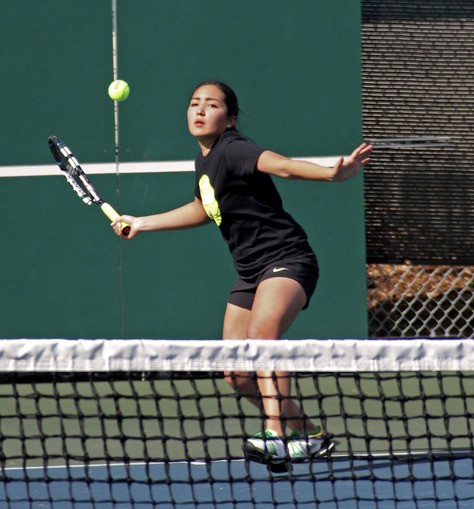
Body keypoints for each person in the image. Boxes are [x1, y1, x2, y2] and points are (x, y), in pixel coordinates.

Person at [112, 80, 372, 465]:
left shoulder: (234, 148)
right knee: (235, 372)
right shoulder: (206, 160)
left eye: (212, 105)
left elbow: (281, 165)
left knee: (262, 336)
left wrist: (331, 174)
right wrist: (144, 223)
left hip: (287, 258)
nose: (200, 110)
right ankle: (309, 431)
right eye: (194, 103)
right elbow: (203, 208)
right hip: (250, 271)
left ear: (229, 118)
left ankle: (276, 433)